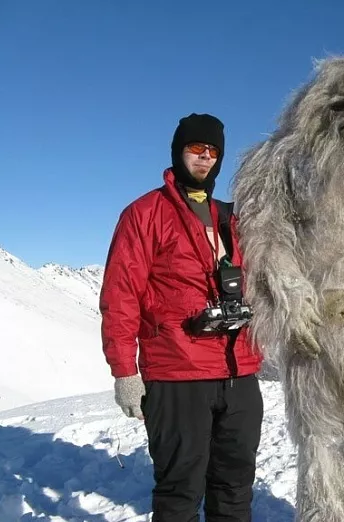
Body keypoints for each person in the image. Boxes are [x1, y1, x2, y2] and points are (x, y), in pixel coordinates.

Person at [99, 113, 263, 522]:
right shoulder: (144, 214)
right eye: (196, 149)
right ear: (178, 151)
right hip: (176, 375)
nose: (205, 158)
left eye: (213, 151)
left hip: (238, 373)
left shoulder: (234, 219)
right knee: (179, 491)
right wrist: (124, 371)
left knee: (235, 486)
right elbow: (121, 296)